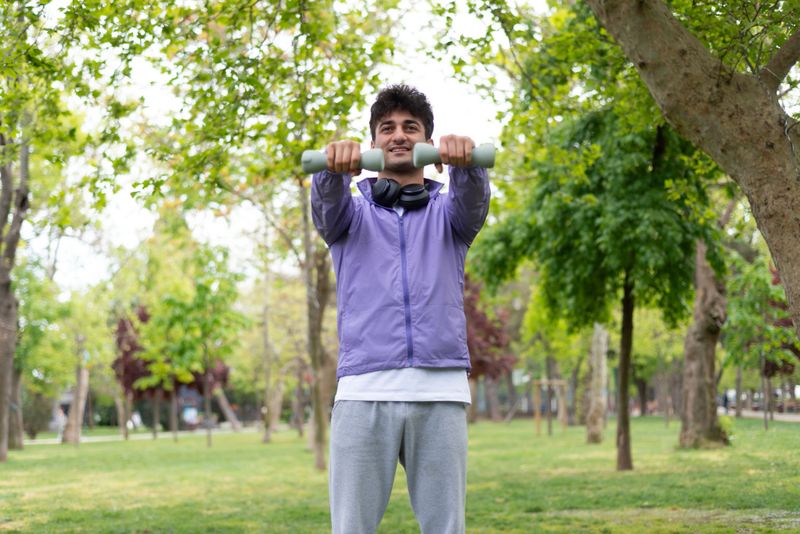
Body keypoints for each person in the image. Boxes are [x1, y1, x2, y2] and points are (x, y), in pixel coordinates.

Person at [310, 84, 491, 534]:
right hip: (363, 390)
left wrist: (465, 165)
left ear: (428, 144)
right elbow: (326, 202)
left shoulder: (450, 216)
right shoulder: (348, 218)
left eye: (411, 127)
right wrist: (331, 171)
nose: (398, 136)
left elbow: (472, 200)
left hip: (440, 391)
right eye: (386, 128)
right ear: (371, 145)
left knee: (446, 528)